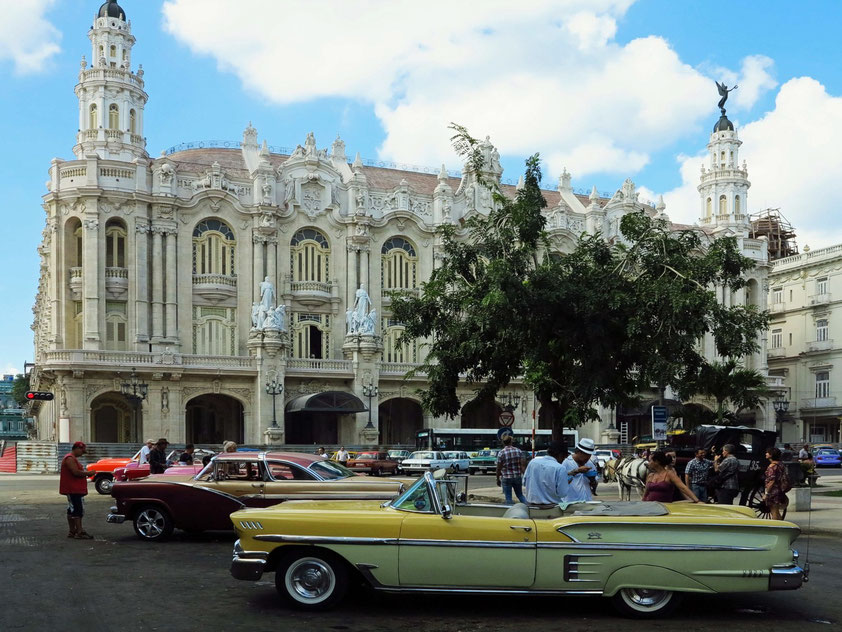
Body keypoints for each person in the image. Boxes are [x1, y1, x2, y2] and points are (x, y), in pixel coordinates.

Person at [60, 441, 93, 539]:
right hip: (73, 489)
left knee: (71, 509)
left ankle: (72, 531)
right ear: (77, 448)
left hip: (75, 489)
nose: (82, 454)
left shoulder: (72, 458)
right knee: (77, 510)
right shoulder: (70, 458)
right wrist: (88, 473)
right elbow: (75, 472)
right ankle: (79, 532)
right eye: (82, 451)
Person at [523, 440, 570, 506]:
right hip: (551, 508)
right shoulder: (560, 468)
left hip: (531, 506)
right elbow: (562, 493)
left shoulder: (533, 462)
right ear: (561, 455)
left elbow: (524, 482)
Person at [562, 438, 598, 503]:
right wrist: (577, 471)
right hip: (570, 502)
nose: (588, 458)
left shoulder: (590, 464)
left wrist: (592, 480)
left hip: (587, 501)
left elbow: (594, 486)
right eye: (586, 455)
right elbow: (561, 481)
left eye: (590, 455)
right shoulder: (566, 462)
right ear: (579, 452)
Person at [495, 435, 527, 505]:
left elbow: (498, 468)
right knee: (520, 495)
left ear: (503, 443)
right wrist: (524, 476)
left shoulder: (501, 453)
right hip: (517, 476)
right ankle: (528, 507)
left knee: (508, 497)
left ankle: (510, 510)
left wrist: (497, 478)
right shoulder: (518, 451)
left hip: (506, 477)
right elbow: (522, 466)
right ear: (511, 442)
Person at [763, 448, 790, 520]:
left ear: (771, 455)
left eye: (767, 453)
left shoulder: (772, 466)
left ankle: (775, 526)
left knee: (774, 511)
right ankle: (781, 526)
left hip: (773, 491)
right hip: (780, 490)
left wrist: (766, 493)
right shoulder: (780, 464)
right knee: (776, 512)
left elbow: (771, 481)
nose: (766, 454)